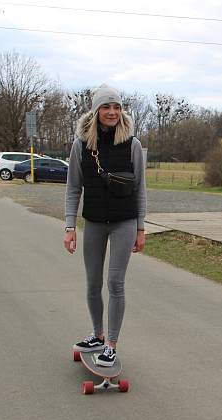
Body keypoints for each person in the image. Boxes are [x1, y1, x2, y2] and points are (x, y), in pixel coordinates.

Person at [64, 85, 147, 367]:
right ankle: (97, 335)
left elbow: (140, 189)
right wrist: (69, 226)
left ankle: (111, 344)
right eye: (105, 107)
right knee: (92, 284)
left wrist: (140, 228)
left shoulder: (132, 144)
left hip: (124, 222)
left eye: (116, 107)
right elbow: (73, 188)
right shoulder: (81, 145)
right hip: (95, 223)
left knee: (115, 283)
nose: (112, 112)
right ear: (96, 111)